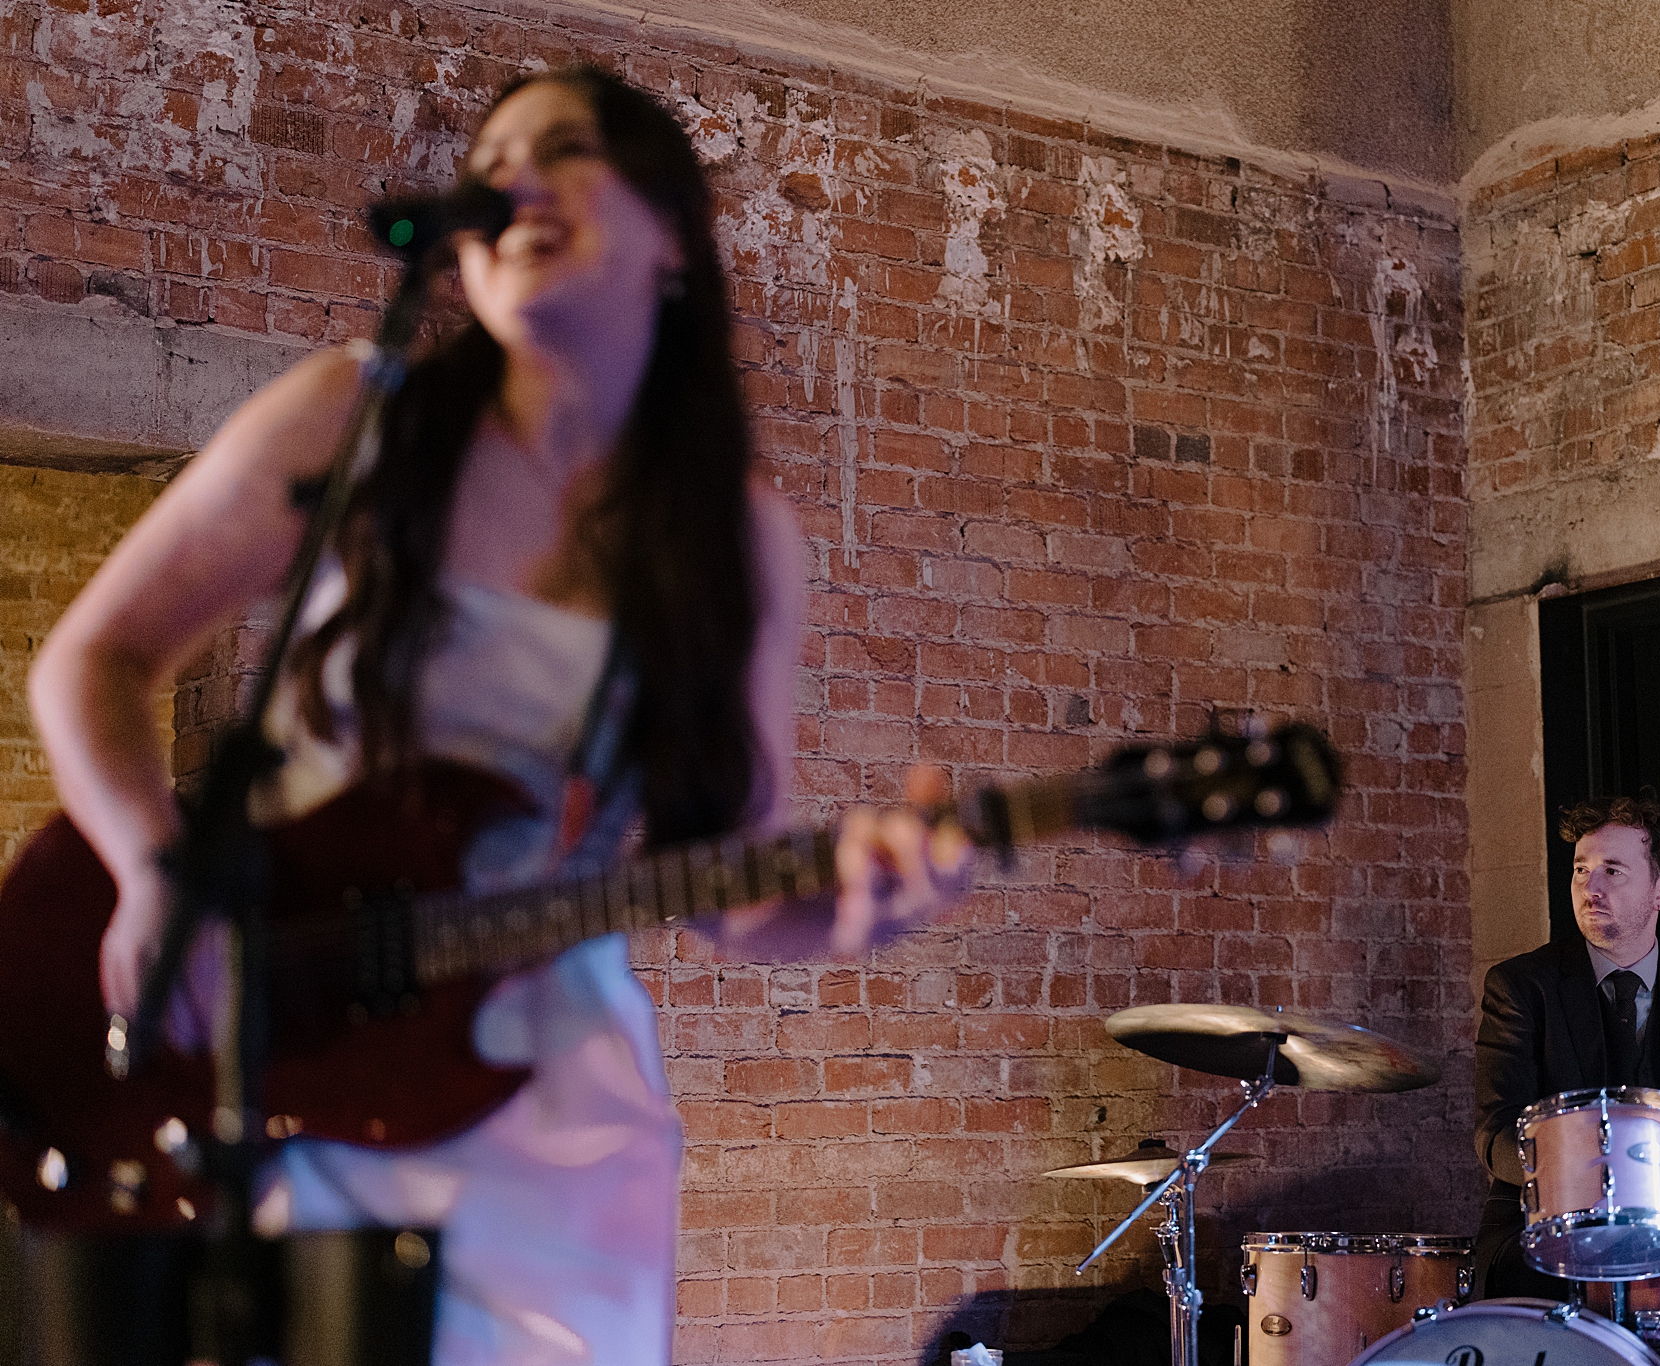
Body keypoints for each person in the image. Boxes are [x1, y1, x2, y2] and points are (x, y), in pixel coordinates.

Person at [27, 66, 966, 1365]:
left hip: (544, 1105)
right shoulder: (353, 419)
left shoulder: (734, 537)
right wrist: (152, 869)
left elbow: (728, 883)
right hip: (293, 1052)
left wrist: (870, 899)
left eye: (562, 148)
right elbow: (95, 659)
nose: (512, 179)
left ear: (672, 235)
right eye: (490, 162)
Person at [1471, 793, 1660, 1299]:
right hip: (1544, 1227)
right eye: (1581, 870)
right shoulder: (1520, 986)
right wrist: (1589, 1177)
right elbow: (1495, 1133)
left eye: (1612, 871)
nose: (1591, 888)